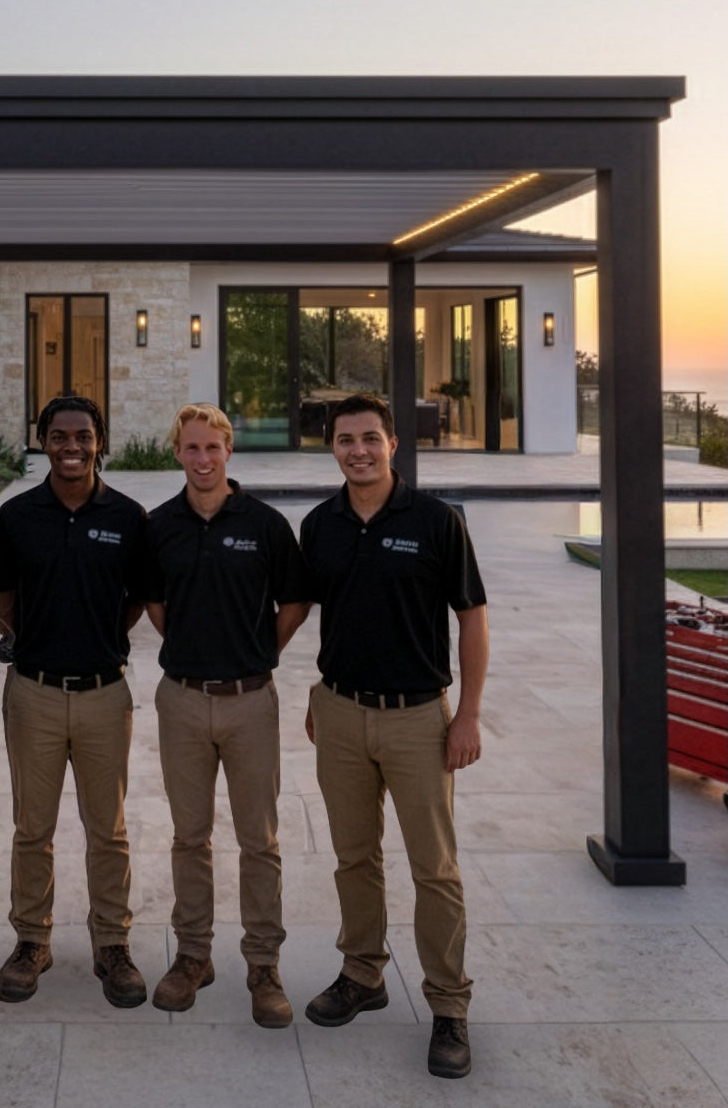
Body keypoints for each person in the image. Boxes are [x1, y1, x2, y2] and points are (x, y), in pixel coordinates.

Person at [299, 392, 488, 1079]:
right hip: (340, 714)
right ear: (331, 449)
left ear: (392, 444)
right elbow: (303, 610)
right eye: (345, 440)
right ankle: (362, 974)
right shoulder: (319, 524)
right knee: (353, 857)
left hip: (416, 717)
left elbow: (471, 618)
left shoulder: (436, 521)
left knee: (433, 868)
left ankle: (447, 1004)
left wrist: (465, 715)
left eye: (369, 438)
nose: (358, 450)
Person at [142, 402, 311, 1029]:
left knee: (258, 839)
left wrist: (261, 650)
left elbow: (294, 600)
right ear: (177, 452)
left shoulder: (264, 524)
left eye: (212, 448)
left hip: (251, 702)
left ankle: (263, 964)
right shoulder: (159, 525)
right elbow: (154, 602)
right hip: (181, 700)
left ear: (228, 451)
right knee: (190, 836)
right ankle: (192, 956)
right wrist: (189, 648)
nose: (203, 459)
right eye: (191, 448)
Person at [0, 395, 149, 1009]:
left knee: (108, 829)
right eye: (58, 436)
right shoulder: (17, 516)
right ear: (43, 441)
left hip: (106, 694)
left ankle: (113, 944)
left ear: (99, 441)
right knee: (33, 828)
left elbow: (138, 597)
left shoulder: (129, 517)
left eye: (82, 436)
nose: (71, 446)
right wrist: (19, 636)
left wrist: (104, 633)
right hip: (33, 694)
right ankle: (32, 940)